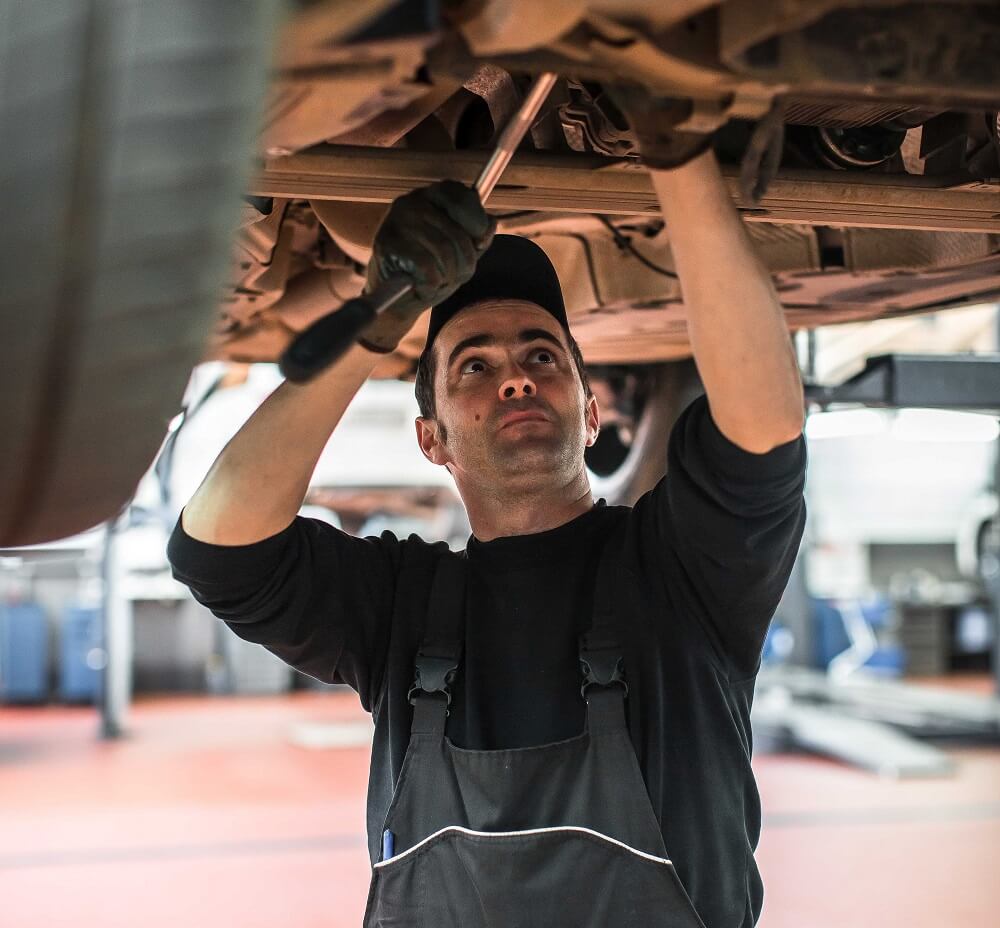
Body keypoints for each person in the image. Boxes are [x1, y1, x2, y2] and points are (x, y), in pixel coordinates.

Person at [168, 97, 806, 928]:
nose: (514, 376)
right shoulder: (402, 607)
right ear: (431, 438)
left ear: (589, 414)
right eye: (473, 366)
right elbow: (219, 548)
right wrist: (375, 321)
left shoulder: (679, 567)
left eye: (542, 355)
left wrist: (674, 147)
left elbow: (762, 433)